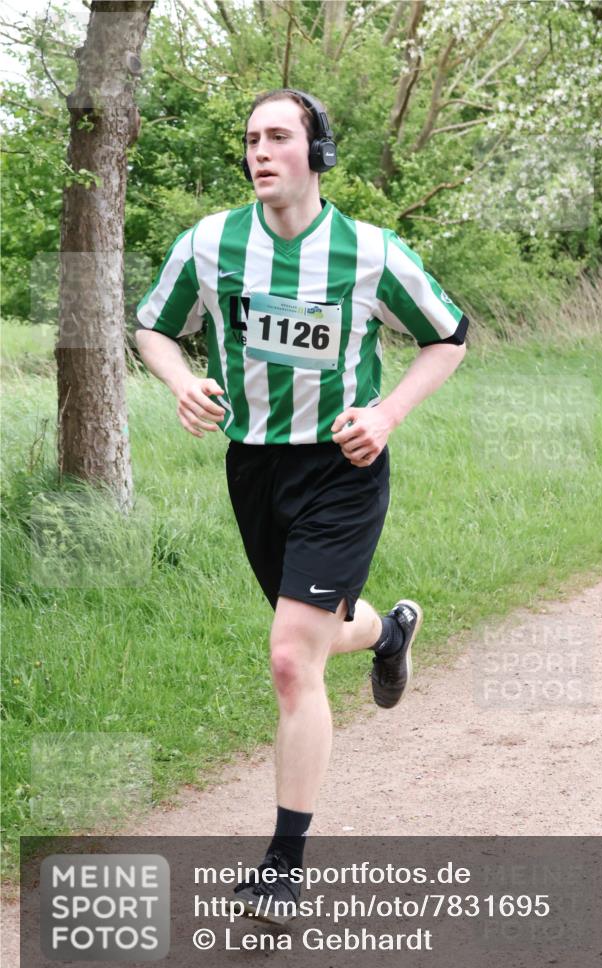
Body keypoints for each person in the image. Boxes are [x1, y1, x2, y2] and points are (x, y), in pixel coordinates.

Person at [135, 88, 468, 924]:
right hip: (253, 467)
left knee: (290, 658)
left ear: (316, 151)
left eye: (279, 136)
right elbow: (152, 326)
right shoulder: (210, 244)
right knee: (317, 638)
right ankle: (386, 632)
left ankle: (283, 867)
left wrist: (386, 414)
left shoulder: (366, 251)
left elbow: (448, 334)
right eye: (250, 138)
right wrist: (183, 382)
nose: (260, 151)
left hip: (341, 467)